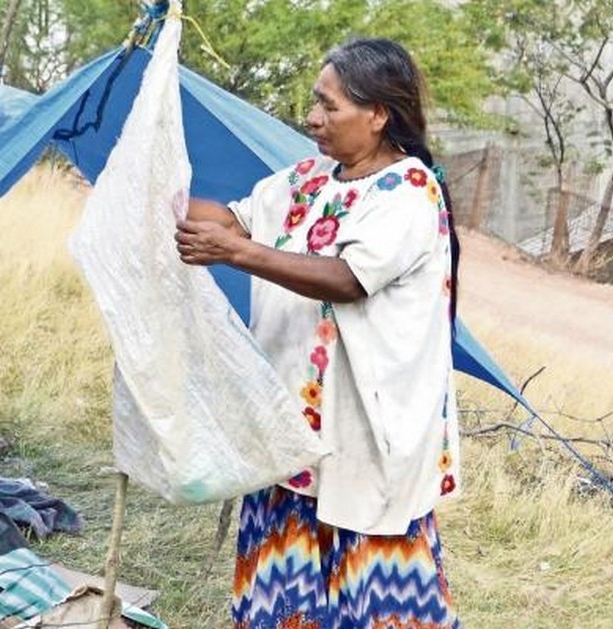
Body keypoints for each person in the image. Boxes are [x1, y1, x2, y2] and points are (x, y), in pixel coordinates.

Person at [175, 38, 461, 628]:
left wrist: (237, 253)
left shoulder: (409, 192)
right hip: (291, 426)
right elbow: (233, 219)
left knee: (373, 589)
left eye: (329, 107)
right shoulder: (308, 179)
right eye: (315, 103)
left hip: (363, 429)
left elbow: (347, 279)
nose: (312, 118)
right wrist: (158, 195)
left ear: (377, 114)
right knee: (286, 590)